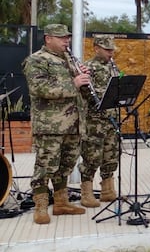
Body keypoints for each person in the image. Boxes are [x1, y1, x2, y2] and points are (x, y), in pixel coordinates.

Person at [22, 24, 89, 224]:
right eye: (61, 38)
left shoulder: (68, 60)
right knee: (45, 165)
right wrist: (74, 83)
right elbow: (40, 88)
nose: (66, 41)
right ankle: (40, 207)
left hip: (73, 124)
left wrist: (85, 79)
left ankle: (61, 203)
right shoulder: (36, 60)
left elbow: (80, 92)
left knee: (66, 164)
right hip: (50, 125)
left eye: (67, 37)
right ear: (48, 38)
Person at [79, 35, 120, 208]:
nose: (111, 53)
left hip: (111, 119)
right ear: (97, 48)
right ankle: (86, 193)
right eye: (107, 50)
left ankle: (107, 190)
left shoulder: (113, 67)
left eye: (112, 50)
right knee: (92, 156)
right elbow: (85, 92)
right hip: (95, 120)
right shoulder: (88, 67)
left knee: (111, 155)